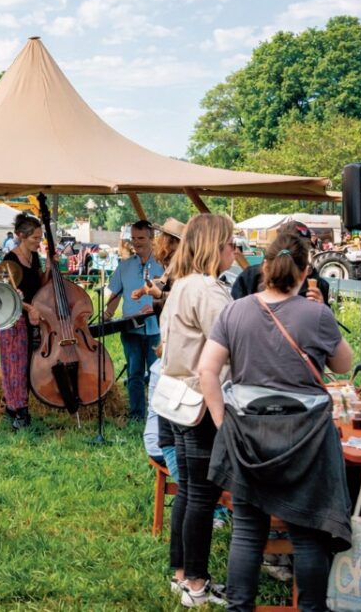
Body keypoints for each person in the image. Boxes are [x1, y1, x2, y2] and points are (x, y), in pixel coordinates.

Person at [200, 230, 354, 612]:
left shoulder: (235, 311)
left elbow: (207, 370)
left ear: (264, 267)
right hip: (307, 440)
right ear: (304, 273)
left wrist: (223, 421)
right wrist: (323, 313)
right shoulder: (317, 315)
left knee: (249, 533)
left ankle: (240, 608)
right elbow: (345, 364)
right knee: (308, 532)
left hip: (249, 435)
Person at [157, 213, 236, 607]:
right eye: (230, 243)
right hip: (203, 400)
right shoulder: (207, 289)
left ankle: (182, 574)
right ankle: (197, 585)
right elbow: (231, 342)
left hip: (178, 397)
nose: (235, 251)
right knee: (202, 495)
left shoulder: (182, 285)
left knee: (189, 492)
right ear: (214, 247)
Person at [104, 219, 165, 421]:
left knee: (157, 374)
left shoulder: (164, 266)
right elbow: (115, 296)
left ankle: (157, 415)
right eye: (134, 238)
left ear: (151, 238)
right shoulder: (124, 266)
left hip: (156, 330)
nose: (137, 242)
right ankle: (137, 414)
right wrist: (107, 315)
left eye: (141, 238)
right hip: (130, 330)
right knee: (134, 374)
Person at [140, 217, 185, 474]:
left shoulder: (181, 266)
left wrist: (158, 295)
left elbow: (178, 298)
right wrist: (152, 291)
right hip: (169, 339)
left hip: (172, 338)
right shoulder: (172, 265)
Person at [0, 213, 44, 430]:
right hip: (14, 320)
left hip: (32, 318)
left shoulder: (35, 258)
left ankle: (17, 407)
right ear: (20, 236)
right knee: (15, 366)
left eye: (40, 237)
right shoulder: (10, 261)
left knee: (27, 365)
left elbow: (41, 284)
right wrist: (29, 308)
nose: (39, 242)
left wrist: (51, 266)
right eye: (35, 238)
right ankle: (18, 412)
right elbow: (7, 294)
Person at [231, 221, 329, 306]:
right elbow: (235, 316)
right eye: (296, 247)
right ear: (280, 244)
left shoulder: (318, 283)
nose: (300, 252)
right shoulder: (251, 277)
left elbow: (324, 324)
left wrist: (322, 307)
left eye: (306, 247)